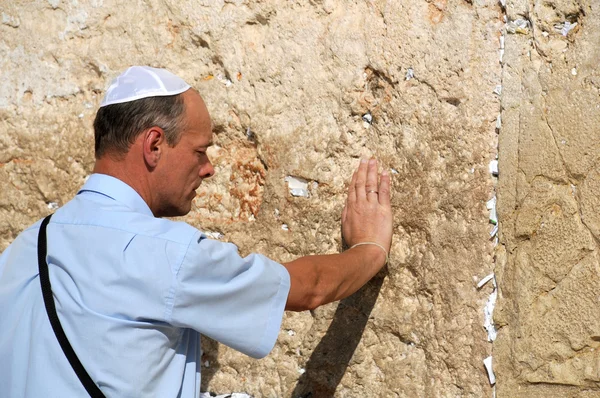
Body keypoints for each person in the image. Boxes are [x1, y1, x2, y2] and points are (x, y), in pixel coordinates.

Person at [0, 66, 392, 397]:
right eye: (199, 151)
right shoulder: (167, 254)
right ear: (154, 144)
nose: (208, 169)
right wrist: (370, 248)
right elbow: (310, 288)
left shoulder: (23, 247)